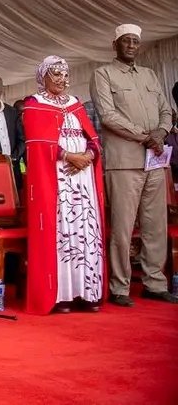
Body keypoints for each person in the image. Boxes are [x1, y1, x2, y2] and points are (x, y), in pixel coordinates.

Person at [90, 24, 176, 306]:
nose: (131, 46)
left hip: (156, 161)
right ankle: (120, 288)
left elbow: (167, 110)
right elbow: (108, 116)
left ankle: (154, 282)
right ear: (115, 45)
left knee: (155, 226)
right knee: (123, 227)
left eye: (135, 42)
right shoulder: (103, 74)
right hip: (124, 163)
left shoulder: (150, 75)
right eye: (125, 41)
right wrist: (145, 137)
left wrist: (161, 133)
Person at [21, 56, 106, 315]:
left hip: (83, 176)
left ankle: (88, 293)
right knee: (63, 229)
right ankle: (63, 295)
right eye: (55, 74)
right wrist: (70, 157)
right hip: (57, 176)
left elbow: (92, 137)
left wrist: (88, 156)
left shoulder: (75, 104)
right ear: (43, 76)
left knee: (85, 227)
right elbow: (36, 144)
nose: (61, 79)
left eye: (65, 74)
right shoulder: (35, 105)